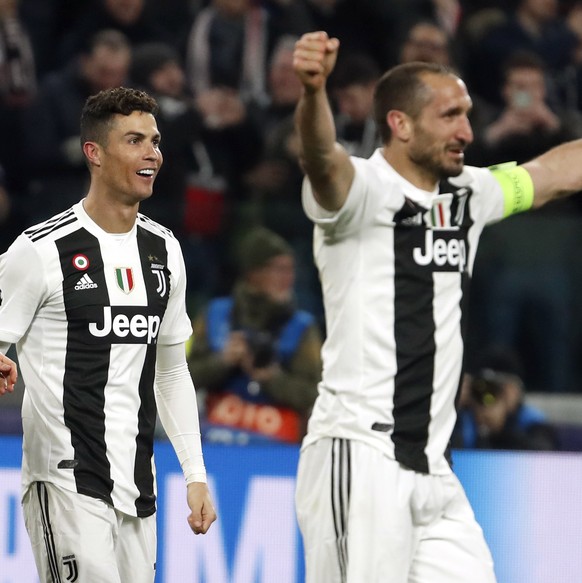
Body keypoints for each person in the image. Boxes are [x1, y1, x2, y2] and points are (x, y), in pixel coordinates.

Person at [292, 30, 582, 583]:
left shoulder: (469, 194)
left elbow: (553, 176)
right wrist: (313, 93)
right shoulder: (360, 192)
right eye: (450, 116)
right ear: (400, 124)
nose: (467, 132)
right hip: (362, 457)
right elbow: (320, 159)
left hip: (436, 471)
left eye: (468, 115)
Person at [0, 86, 216, 582]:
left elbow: (170, 369)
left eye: (156, 141)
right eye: (135, 140)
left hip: (139, 487)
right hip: (65, 480)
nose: (152, 154)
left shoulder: (165, 250)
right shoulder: (40, 251)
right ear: (94, 153)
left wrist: (196, 474)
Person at [188, 226, 322, 445]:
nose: (288, 278)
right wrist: (222, 362)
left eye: (290, 270)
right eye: (278, 269)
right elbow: (182, 379)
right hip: (214, 442)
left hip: (280, 449)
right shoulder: (215, 315)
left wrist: (272, 378)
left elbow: (315, 395)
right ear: (253, 273)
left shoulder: (302, 328)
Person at [453, 348, 558, 450]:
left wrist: (501, 430)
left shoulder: (531, 421)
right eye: (481, 388)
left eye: (495, 389)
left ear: (515, 391)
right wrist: (452, 407)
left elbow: (544, 456)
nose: (487, 396)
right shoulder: (464, 419)